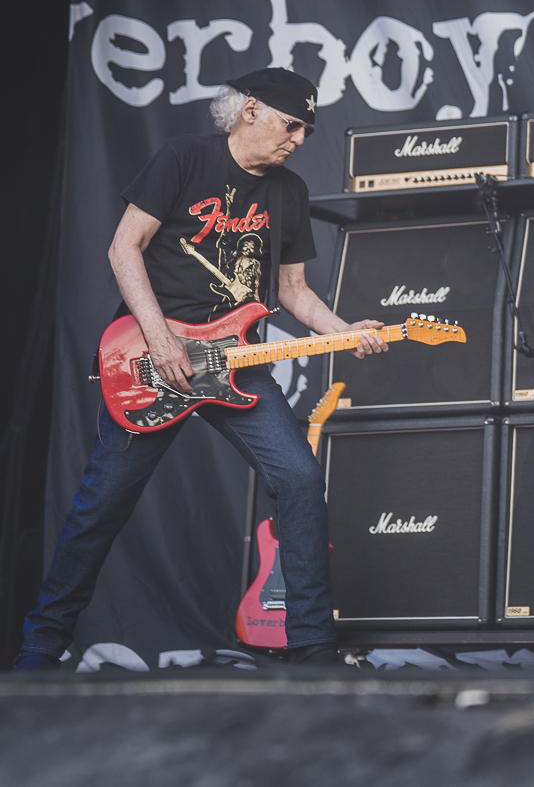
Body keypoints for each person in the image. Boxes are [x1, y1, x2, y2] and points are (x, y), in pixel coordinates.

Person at [13, 69, 388, 671]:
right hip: (153, 360)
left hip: (237, 364)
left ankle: (313, 642)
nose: (298, 139)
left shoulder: (288, 192)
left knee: (297, 477)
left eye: (307, 131)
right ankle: (41, 643)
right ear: (251, 111)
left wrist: (345, 332)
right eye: (291, 125)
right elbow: (122, 248)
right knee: (101, 504)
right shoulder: (183, 159)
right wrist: (162, 341)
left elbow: (292, 290)